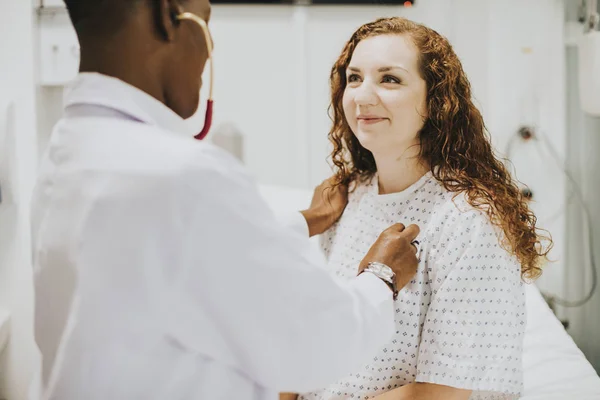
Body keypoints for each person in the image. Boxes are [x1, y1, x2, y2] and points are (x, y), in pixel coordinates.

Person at [29, 2, 422, 400]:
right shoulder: (181, 176)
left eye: (390, 78)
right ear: (169, 17)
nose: (210, 47)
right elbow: (312, 345)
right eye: (207, 21)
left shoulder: (71, 149)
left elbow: (168, 254)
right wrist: (381, 277)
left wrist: (304, 220)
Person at [281, 17, 552, 400]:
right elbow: (310, 337)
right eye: (354, 77)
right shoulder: (349, 198)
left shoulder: (469, 218)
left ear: (435, 101)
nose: (361, 96)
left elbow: (442, 392)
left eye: (389, 79)